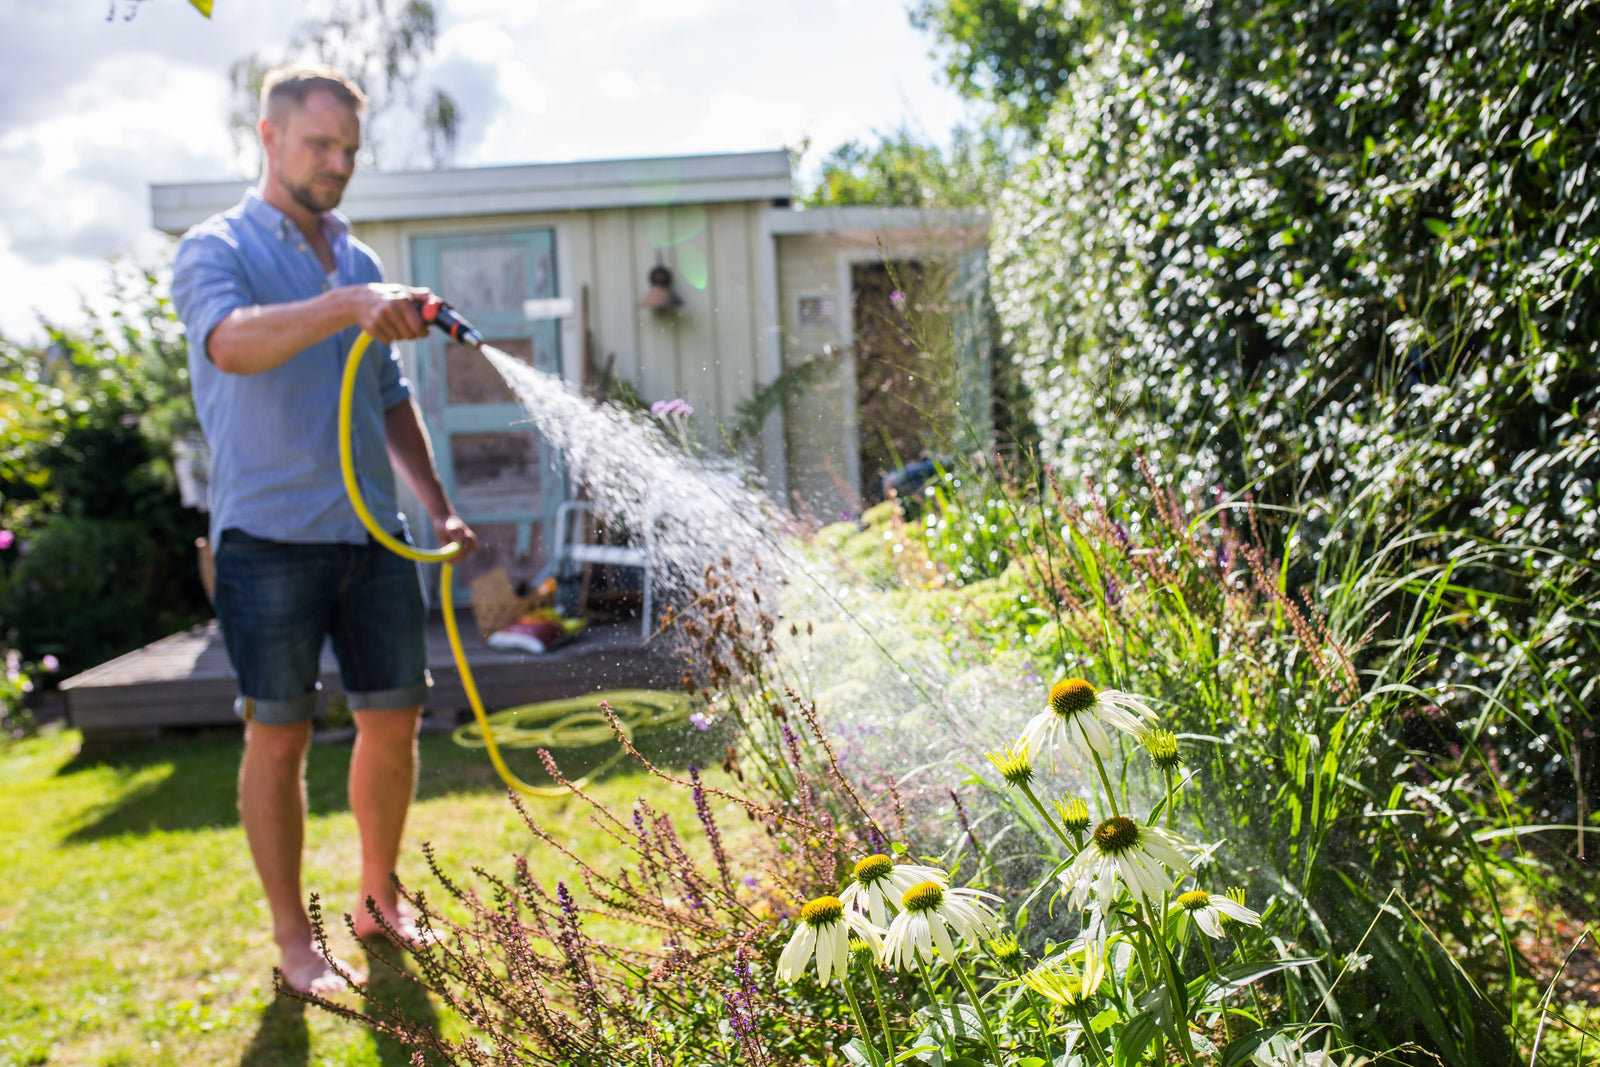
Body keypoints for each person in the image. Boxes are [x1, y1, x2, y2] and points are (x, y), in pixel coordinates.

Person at [171, 65, 477, 994]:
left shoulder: (360, 261)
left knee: (394, 719)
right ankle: (294, 941)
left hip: (374, 536)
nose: (337, 163)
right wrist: (344, 308)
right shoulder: (212, 247)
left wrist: (435, 501)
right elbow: (232, 342)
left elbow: (388, 396)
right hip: (267, 538)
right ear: (266, 135)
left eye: (349, 148)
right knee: (281, 738)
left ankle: (378, 901)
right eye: (319, 144)